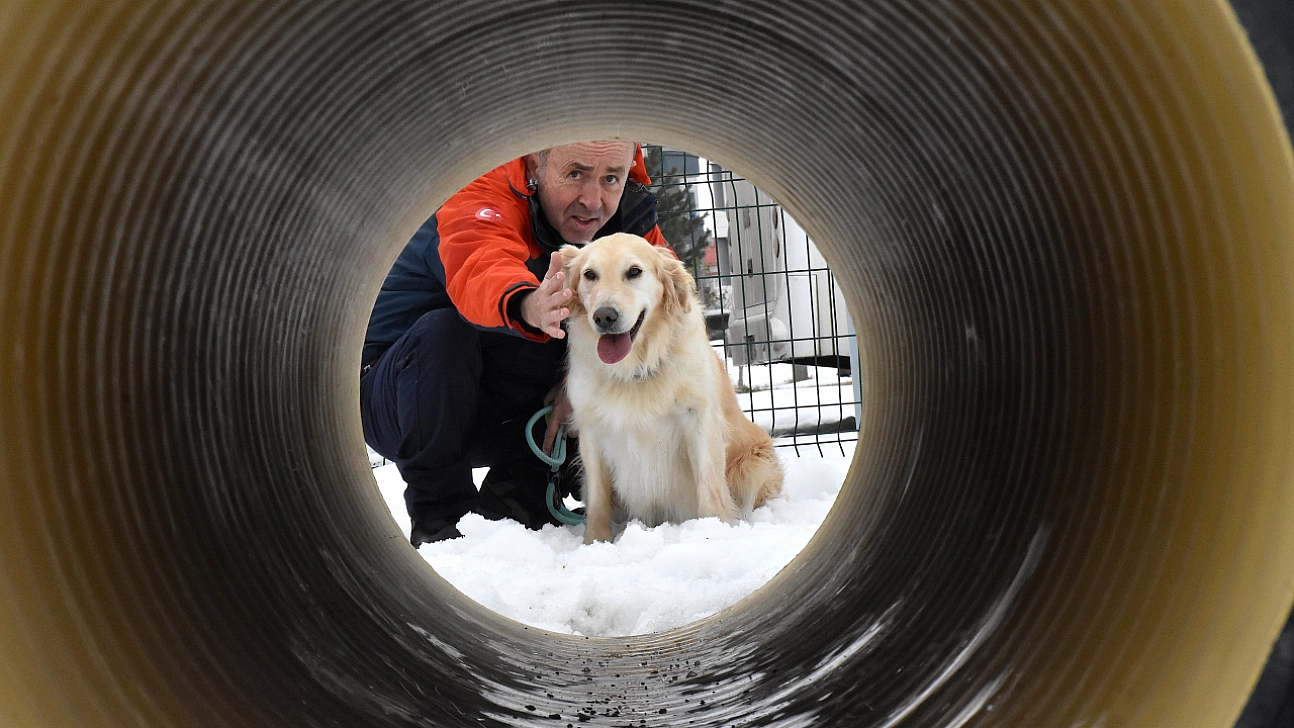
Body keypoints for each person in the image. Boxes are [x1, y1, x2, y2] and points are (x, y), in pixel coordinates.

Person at [360, 141, 670, 547]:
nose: (593, 200)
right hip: (403, 393)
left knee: (607, 350)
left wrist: (586, 380)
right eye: (575, 174)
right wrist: (527, 303)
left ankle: (522, 501)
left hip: (505, 402)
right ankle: (440, 526)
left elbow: (670, 309)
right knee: (445, 333)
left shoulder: (629, 222)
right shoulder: (476, 187)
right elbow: (480, 263)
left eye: (611, 178)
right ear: (535, 163)